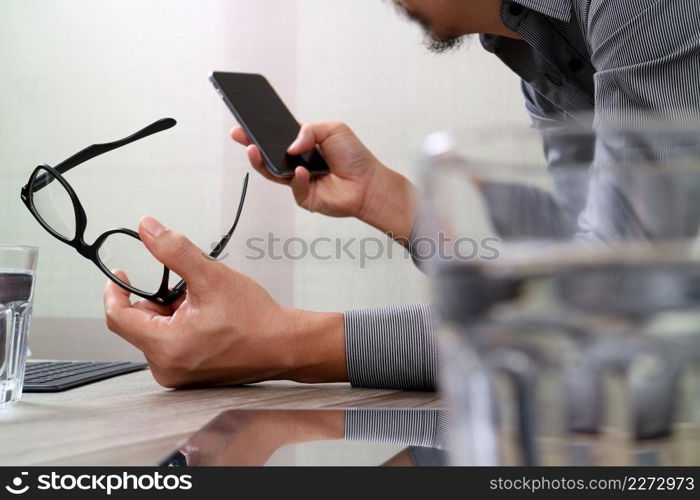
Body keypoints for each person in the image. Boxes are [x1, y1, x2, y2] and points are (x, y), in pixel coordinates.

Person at [103, 0, 700, 390]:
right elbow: (573, 278)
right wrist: (381, 197)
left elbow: (611, 325)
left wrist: (284, 342)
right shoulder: (541, 48)